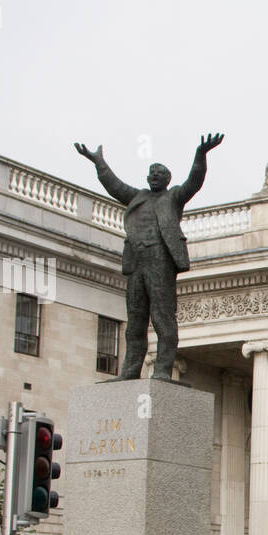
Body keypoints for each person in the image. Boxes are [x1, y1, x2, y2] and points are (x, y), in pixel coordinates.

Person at [74, 134, 222, 381]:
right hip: (137, 262)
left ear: (167, 180)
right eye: (151, 172)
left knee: (163, 318)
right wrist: (98, 162)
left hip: (160, 261)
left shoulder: (173, 197)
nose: (154, 176)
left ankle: (163, 370)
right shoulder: (137, 197)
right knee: (135, 321)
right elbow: (114, 184)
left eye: (159, 173)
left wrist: (201, 154)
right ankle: (130, 371)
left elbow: (194, 181)